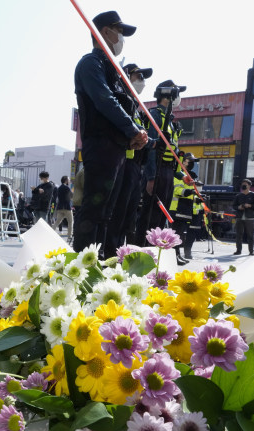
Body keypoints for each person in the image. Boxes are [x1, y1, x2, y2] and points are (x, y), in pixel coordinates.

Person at [72, 10, 148, 254]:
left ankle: (99, 266)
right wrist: (133, 130)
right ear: (105, 32)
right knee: (93, 213)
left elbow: (125, 107)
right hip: (100, 146)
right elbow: (106, 101)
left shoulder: (113, 70)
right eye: (120, 31)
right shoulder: (90, 64)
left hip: (116, 149)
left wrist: (134, 136)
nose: (121, 37)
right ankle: (80, 267)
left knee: (107, 214)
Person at [135, 80, 186, 252]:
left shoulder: (170, 120)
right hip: (156, 170)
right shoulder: (155, 115)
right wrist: (150, 177)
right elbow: (151, 148)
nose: (179, 98)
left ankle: (155, 254)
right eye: (177, 93)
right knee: (150, 216)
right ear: (167, 95)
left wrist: (181, 176)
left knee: (160, 217)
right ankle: (142, 251)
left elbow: (172, 153)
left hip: (167, 172)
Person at [107, 63, 153, 252]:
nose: (141, 81)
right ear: (126, 75)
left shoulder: (137, 108)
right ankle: (110, 254)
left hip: (135, 166)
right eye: (138, 76)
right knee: (116, 214)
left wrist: (151, 142)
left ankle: (120, 254)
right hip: (122, 162)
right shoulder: (120, 100)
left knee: (128, 216)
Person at [168, 152, 199, 264]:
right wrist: (188, 191)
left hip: (184, 210)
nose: (191, 164)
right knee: (174, 235)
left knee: (179, 235)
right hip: (175, 209)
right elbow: (176, 189)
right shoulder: (178, 174)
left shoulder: (188, 175)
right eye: (190, 161)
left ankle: (177, 255)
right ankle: (173, 257)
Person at [231, 178, 254, 256]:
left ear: (249, 186)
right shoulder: (238, 196)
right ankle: (238, 250)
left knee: (250, 235)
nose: (243, 186)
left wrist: (250, 205)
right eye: (242, 184)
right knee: (238, 235)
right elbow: (234, 206)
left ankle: (251, 251)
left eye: (245, 184)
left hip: (250, 218)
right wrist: (238, 207)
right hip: (239, 217)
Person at [53, 175, 74, 240]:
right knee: (70, 222)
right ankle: (69, 236)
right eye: (69, 179)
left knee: (57, 222)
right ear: (66, 180)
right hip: (67, 207)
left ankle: (50, 232)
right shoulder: (67, 188)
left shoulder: (59, 188)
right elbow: (72, 196)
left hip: (60, 207)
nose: (69, 180)